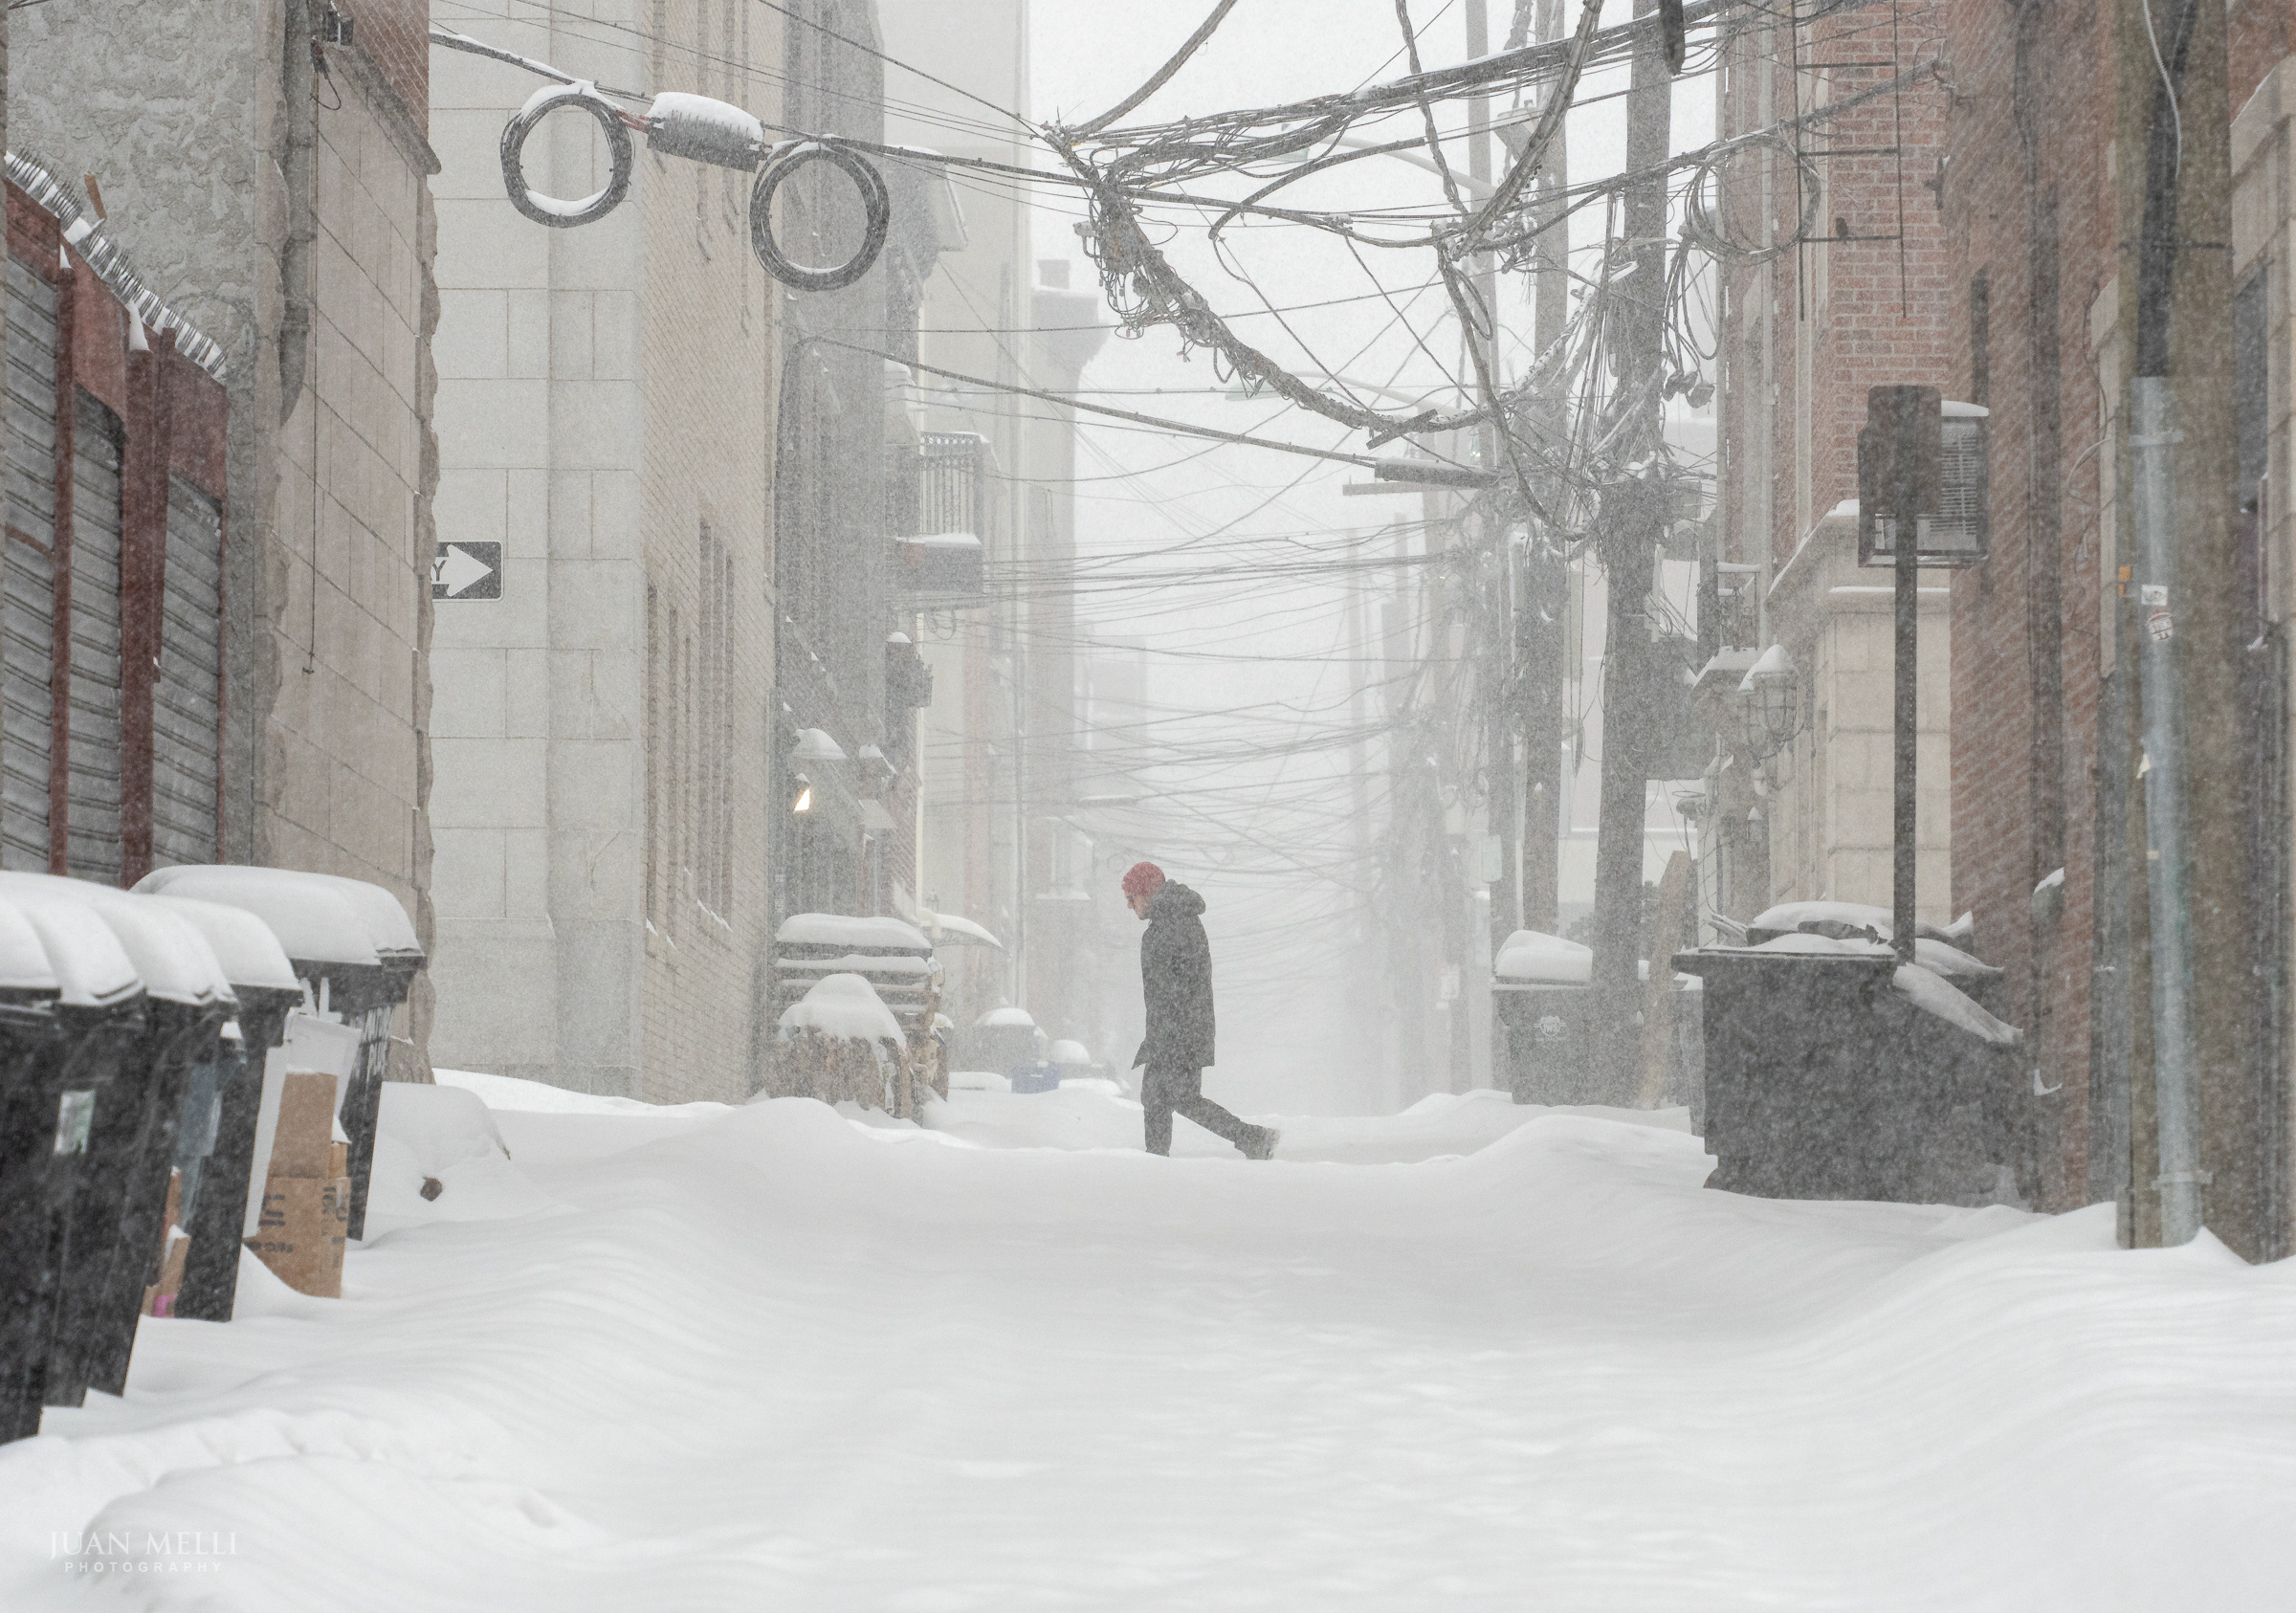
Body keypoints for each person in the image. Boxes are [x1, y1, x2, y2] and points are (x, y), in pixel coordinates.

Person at [1123, 861, 1278, 1160]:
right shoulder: (1177, 920)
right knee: (1161, 1096)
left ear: (1146, 894)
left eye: (1132, 898)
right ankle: (1157, 1158)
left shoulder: (1168, 928)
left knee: (1178, 1098)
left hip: (1178, 1031)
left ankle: (1251, 1138)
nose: (1130, 907)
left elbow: (1171, 989)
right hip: (1182, 1028)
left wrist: (1165, 1032)